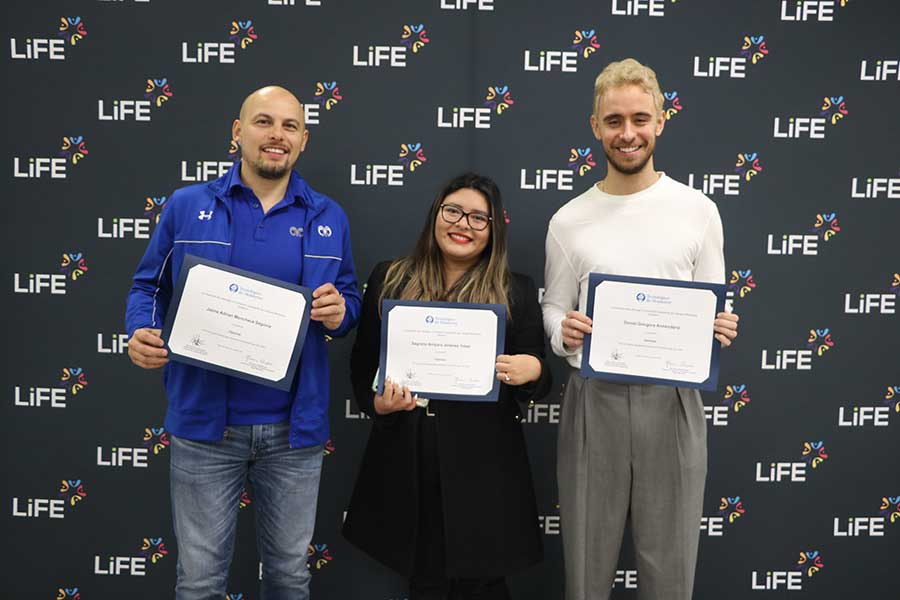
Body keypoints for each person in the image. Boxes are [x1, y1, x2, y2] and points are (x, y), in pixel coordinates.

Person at [124, 86, 361, 600]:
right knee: (201, 581)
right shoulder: (187, 206)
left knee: (289, 578)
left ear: (303, 141)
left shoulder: (328, 217)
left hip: (293, 433)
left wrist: (342, 313)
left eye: (289, 126)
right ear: (237, 132)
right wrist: (139, 330)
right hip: (205, 428)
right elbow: (147, 287)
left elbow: (348, 302)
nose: (277, 135)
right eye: (263, 122)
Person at [541, 59, 740, 600]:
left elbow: (710, 304)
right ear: (595, 126)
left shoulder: (699, 211)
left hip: (673, 402)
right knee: (584, 571)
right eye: (613, 121)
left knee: (671, 573)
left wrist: (717, 326)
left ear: (661, 121)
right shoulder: (568, 220)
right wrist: (566, 332)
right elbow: (554, 308)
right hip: (592, 399)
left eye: (639, 119)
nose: (627, 134)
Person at [342, 173, 551, 600]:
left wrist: (532, 371)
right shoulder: (389, 279)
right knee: (424, 580)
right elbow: (363, 366)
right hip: (408, 459)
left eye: (479, 218)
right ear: (436, 214)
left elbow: (542, 377)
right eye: (453, 211)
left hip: (485, 468)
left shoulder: (516, 290)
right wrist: (378, 404)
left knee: (485, 584)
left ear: (494, 230)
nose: (463, 225)